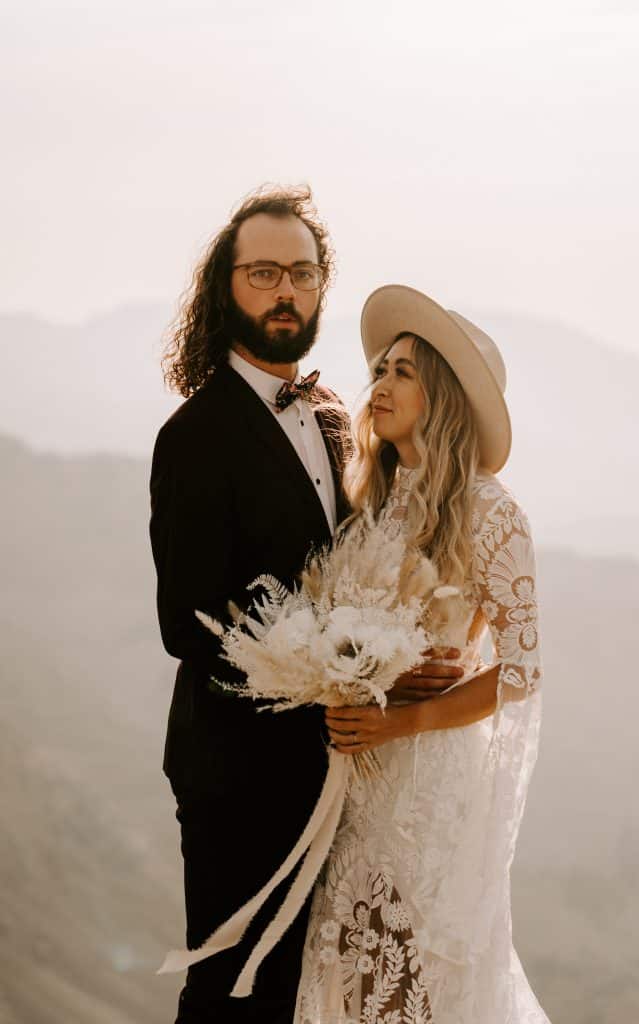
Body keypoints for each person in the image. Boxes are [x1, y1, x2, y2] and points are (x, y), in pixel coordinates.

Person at [149, 193, 464, 1023]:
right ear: (228, 289)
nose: (283, 291)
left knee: (306, 989)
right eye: (263, 274)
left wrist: (403, 658)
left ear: (321, 287)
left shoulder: (334, 421)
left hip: (341, 767)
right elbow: (185, 622)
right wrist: (322, 664)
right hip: (235, 767)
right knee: (231, 984)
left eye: (301, 272)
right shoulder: (193, 435)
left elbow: (370, 571)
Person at [296, 286, 550, 1023]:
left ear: (439, 394)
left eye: (403, 372)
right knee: (349, 973)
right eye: (380, 367)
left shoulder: (491, 512)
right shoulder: (370, 504)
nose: (379, 383)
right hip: (351, 782)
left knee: (409, 983)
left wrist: (402, 722)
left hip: (423, 782)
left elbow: (521, 671)